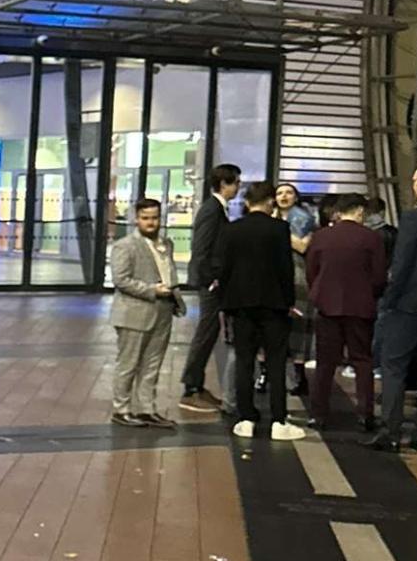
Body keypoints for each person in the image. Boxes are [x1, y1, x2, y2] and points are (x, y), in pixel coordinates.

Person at [371, 155, 417, 453]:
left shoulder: (413, 218)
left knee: (394, 365)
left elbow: (402, 264)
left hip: (409, 304)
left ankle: (390, 431)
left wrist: (390, 299)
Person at [219, 180, 304, 440]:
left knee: (244, 360)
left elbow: (225, 268)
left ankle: (246, 419)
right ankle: (279, 420)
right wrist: (289, 302)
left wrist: (226, 302)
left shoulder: (232, 230)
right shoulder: (279, 229)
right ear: (270, 202)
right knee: (277, 361)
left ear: (246, 203)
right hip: (274, 304)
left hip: (241, 305)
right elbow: (285, 270)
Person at [305, 196, 387, 431]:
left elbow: (312, 271)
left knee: (325, 363)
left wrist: (320, 292)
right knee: (362, 361)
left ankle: (318, 415)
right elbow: (379, 276)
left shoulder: (321, 236)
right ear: (360, 211)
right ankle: (365, 414)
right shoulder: (371, 238)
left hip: (327, 305)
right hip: (360, 307)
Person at [108, 199, 181, 430]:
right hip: (134, 312)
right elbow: (121, 280)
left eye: (155, 218)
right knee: (128, 364)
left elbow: (169, 273)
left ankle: (147, 410)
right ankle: (121, 410)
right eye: (146, 218)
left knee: (152, 364)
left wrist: (173, 296)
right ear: (136, 219)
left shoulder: (166, 244)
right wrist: (152, 290)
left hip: (163, 311)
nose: (151, 222)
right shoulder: (125, 245)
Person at [178, 163, 240, 414]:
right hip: (210, 283)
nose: (238, 188)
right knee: (206, 332)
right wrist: (209, 279)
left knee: (210, 331)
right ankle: (191, 387)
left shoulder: (219, 209)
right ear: (223, 184)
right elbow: (201, 248)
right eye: (236, 183)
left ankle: (196, 384)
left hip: (214, 281)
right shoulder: (212, 209)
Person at [275, 180, 317, 396]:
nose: (283, 196)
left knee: (298, 326)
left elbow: (302, 245)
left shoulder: (302, 217)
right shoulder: (272, 216)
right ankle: (267, 372)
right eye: (279, 192)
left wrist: (276, 231)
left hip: (297, 274)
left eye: (289, 192)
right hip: (273, 274)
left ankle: (299, 376)